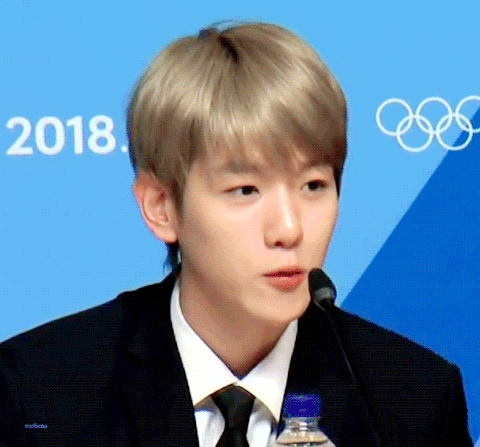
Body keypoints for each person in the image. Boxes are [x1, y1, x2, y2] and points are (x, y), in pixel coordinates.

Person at [0, 22, 472, 447]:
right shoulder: (38, 392)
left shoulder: (414, 401)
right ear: (161, 206)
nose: (289, 229)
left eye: (313, 185)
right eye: (246, 190)